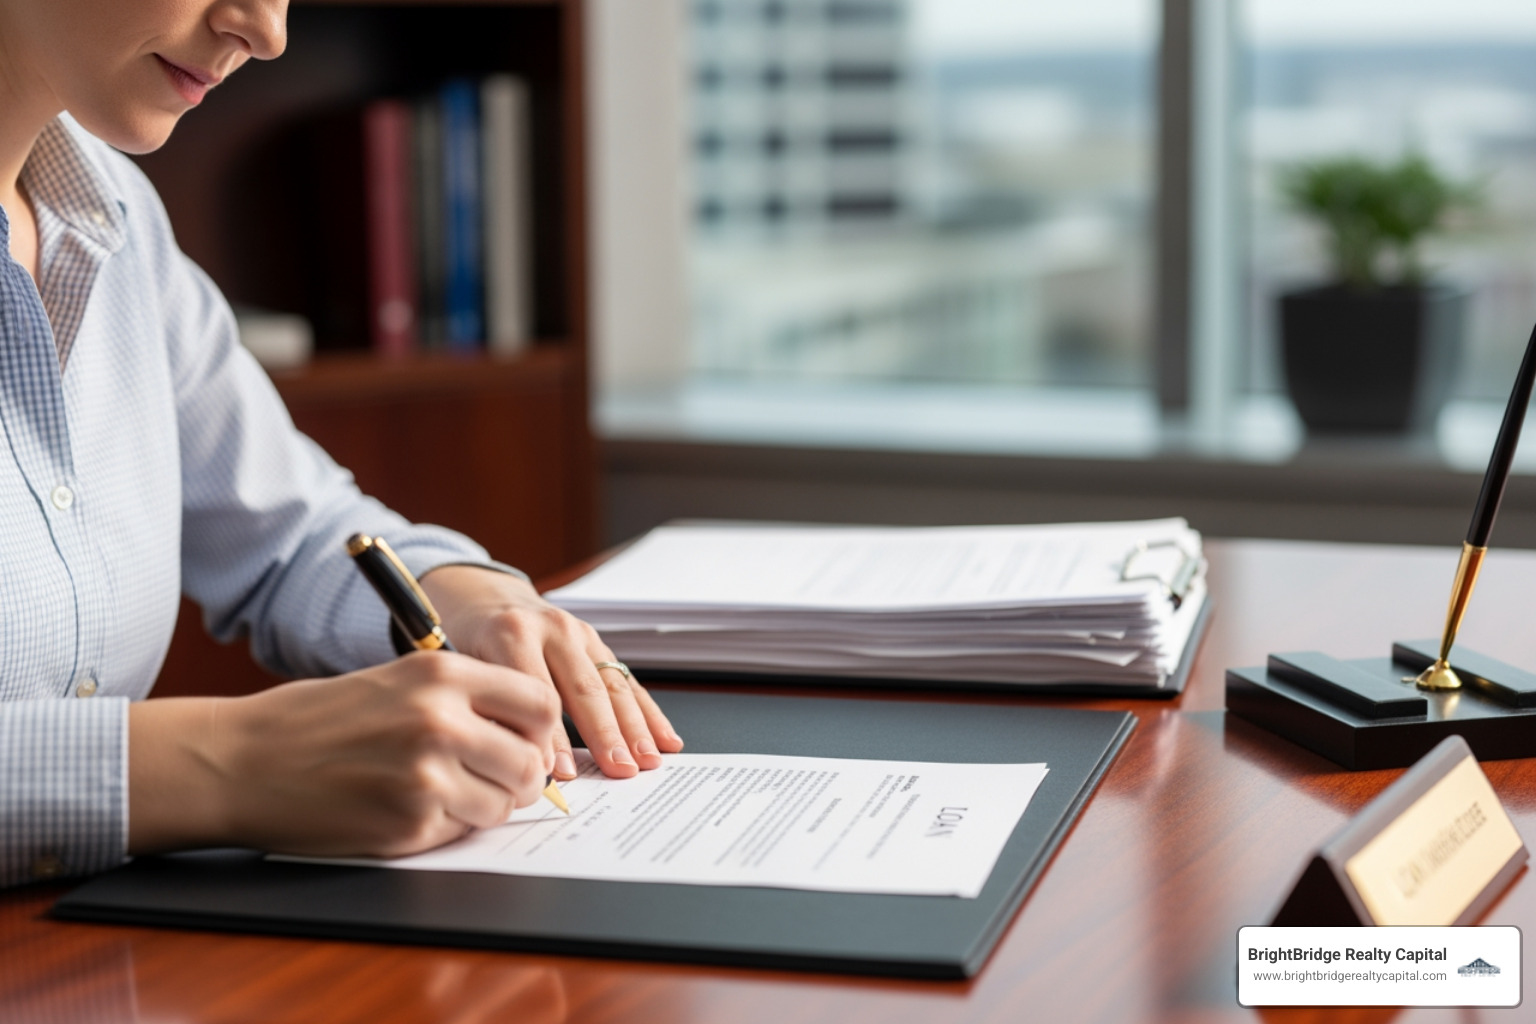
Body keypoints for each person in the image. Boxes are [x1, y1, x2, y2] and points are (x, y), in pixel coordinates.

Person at [0, 0, 682, 889]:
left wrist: (463, 599)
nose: (266, 31)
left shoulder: (110, 211)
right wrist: (218, 763)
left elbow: (291, 534)